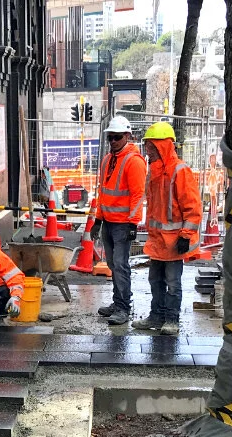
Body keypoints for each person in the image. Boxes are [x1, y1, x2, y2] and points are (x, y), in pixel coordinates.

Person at [131, 122, 202, 336]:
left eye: (151, 146)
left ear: (163, 146)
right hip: (159, 240)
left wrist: (186, 235)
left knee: (172, 283)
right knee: (156, 280)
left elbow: (193, 206)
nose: (147, 150)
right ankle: (157, 316)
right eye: (147, 146)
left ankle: (171, 319)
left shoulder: (179, 170)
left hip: (173, 240)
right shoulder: (154, 172)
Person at [90, 115, 147, 326]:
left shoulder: (134, 162)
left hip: (123, 224)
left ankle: (123, 307)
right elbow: (103, 192)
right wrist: (98, 220)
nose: (113, 141)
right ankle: (118, 302)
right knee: (114, 264)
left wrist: (133, 223)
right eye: (110, 138)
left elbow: (138, 195)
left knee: (121, 265)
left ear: (127, 136)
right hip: (109, 222)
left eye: (116, 137)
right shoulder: (108, 160)